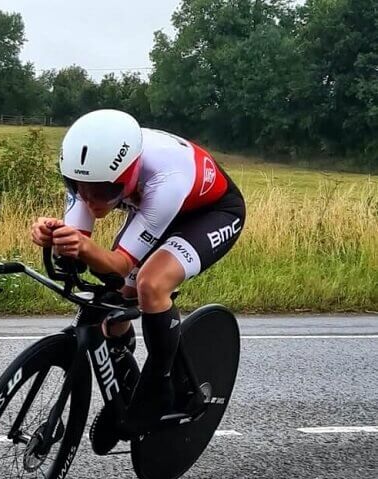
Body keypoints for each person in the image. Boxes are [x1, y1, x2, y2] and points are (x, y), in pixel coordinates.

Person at [31, 109, 246, 455]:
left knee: (150, 284)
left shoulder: (165, 179)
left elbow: (117, 264)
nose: (90, 200)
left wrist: (85, 247)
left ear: (128, 176)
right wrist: (55, 237)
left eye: (103, 192)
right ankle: (121, 364)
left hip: (209, 213)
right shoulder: (92, 176)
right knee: (113, 298)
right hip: (153, 208)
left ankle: (157, 386)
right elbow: (79, 244)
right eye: (79, 188)